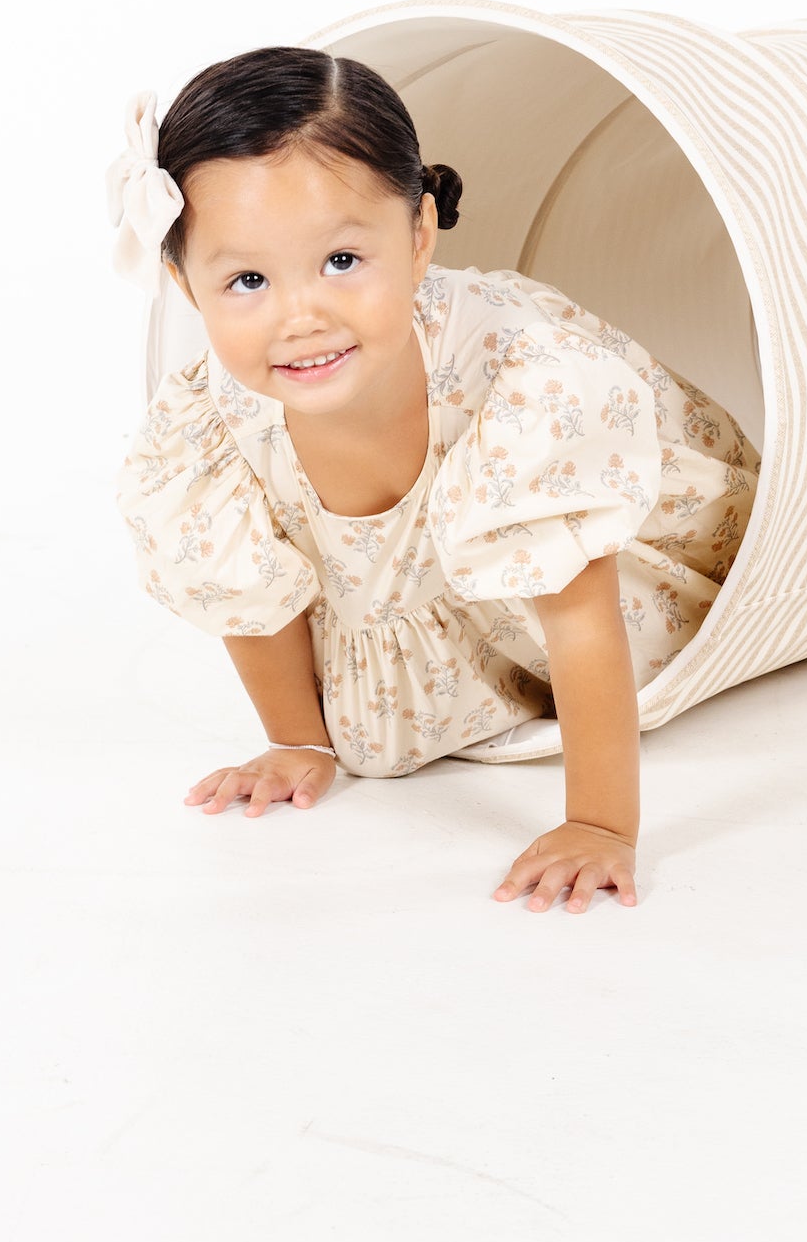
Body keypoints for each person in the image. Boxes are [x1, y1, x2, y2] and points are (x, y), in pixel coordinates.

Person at [105, 47, 759, 914]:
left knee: (585, 590)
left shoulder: (523, 379)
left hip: (609, 581)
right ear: (187, 287)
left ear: (418, 237)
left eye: (342, 261)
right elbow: (247, 588)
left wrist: (600, 824)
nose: (301, 317)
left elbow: (579, 609)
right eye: (249, 280)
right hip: (420, 588)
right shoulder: (212, 420)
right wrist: (300, 743)